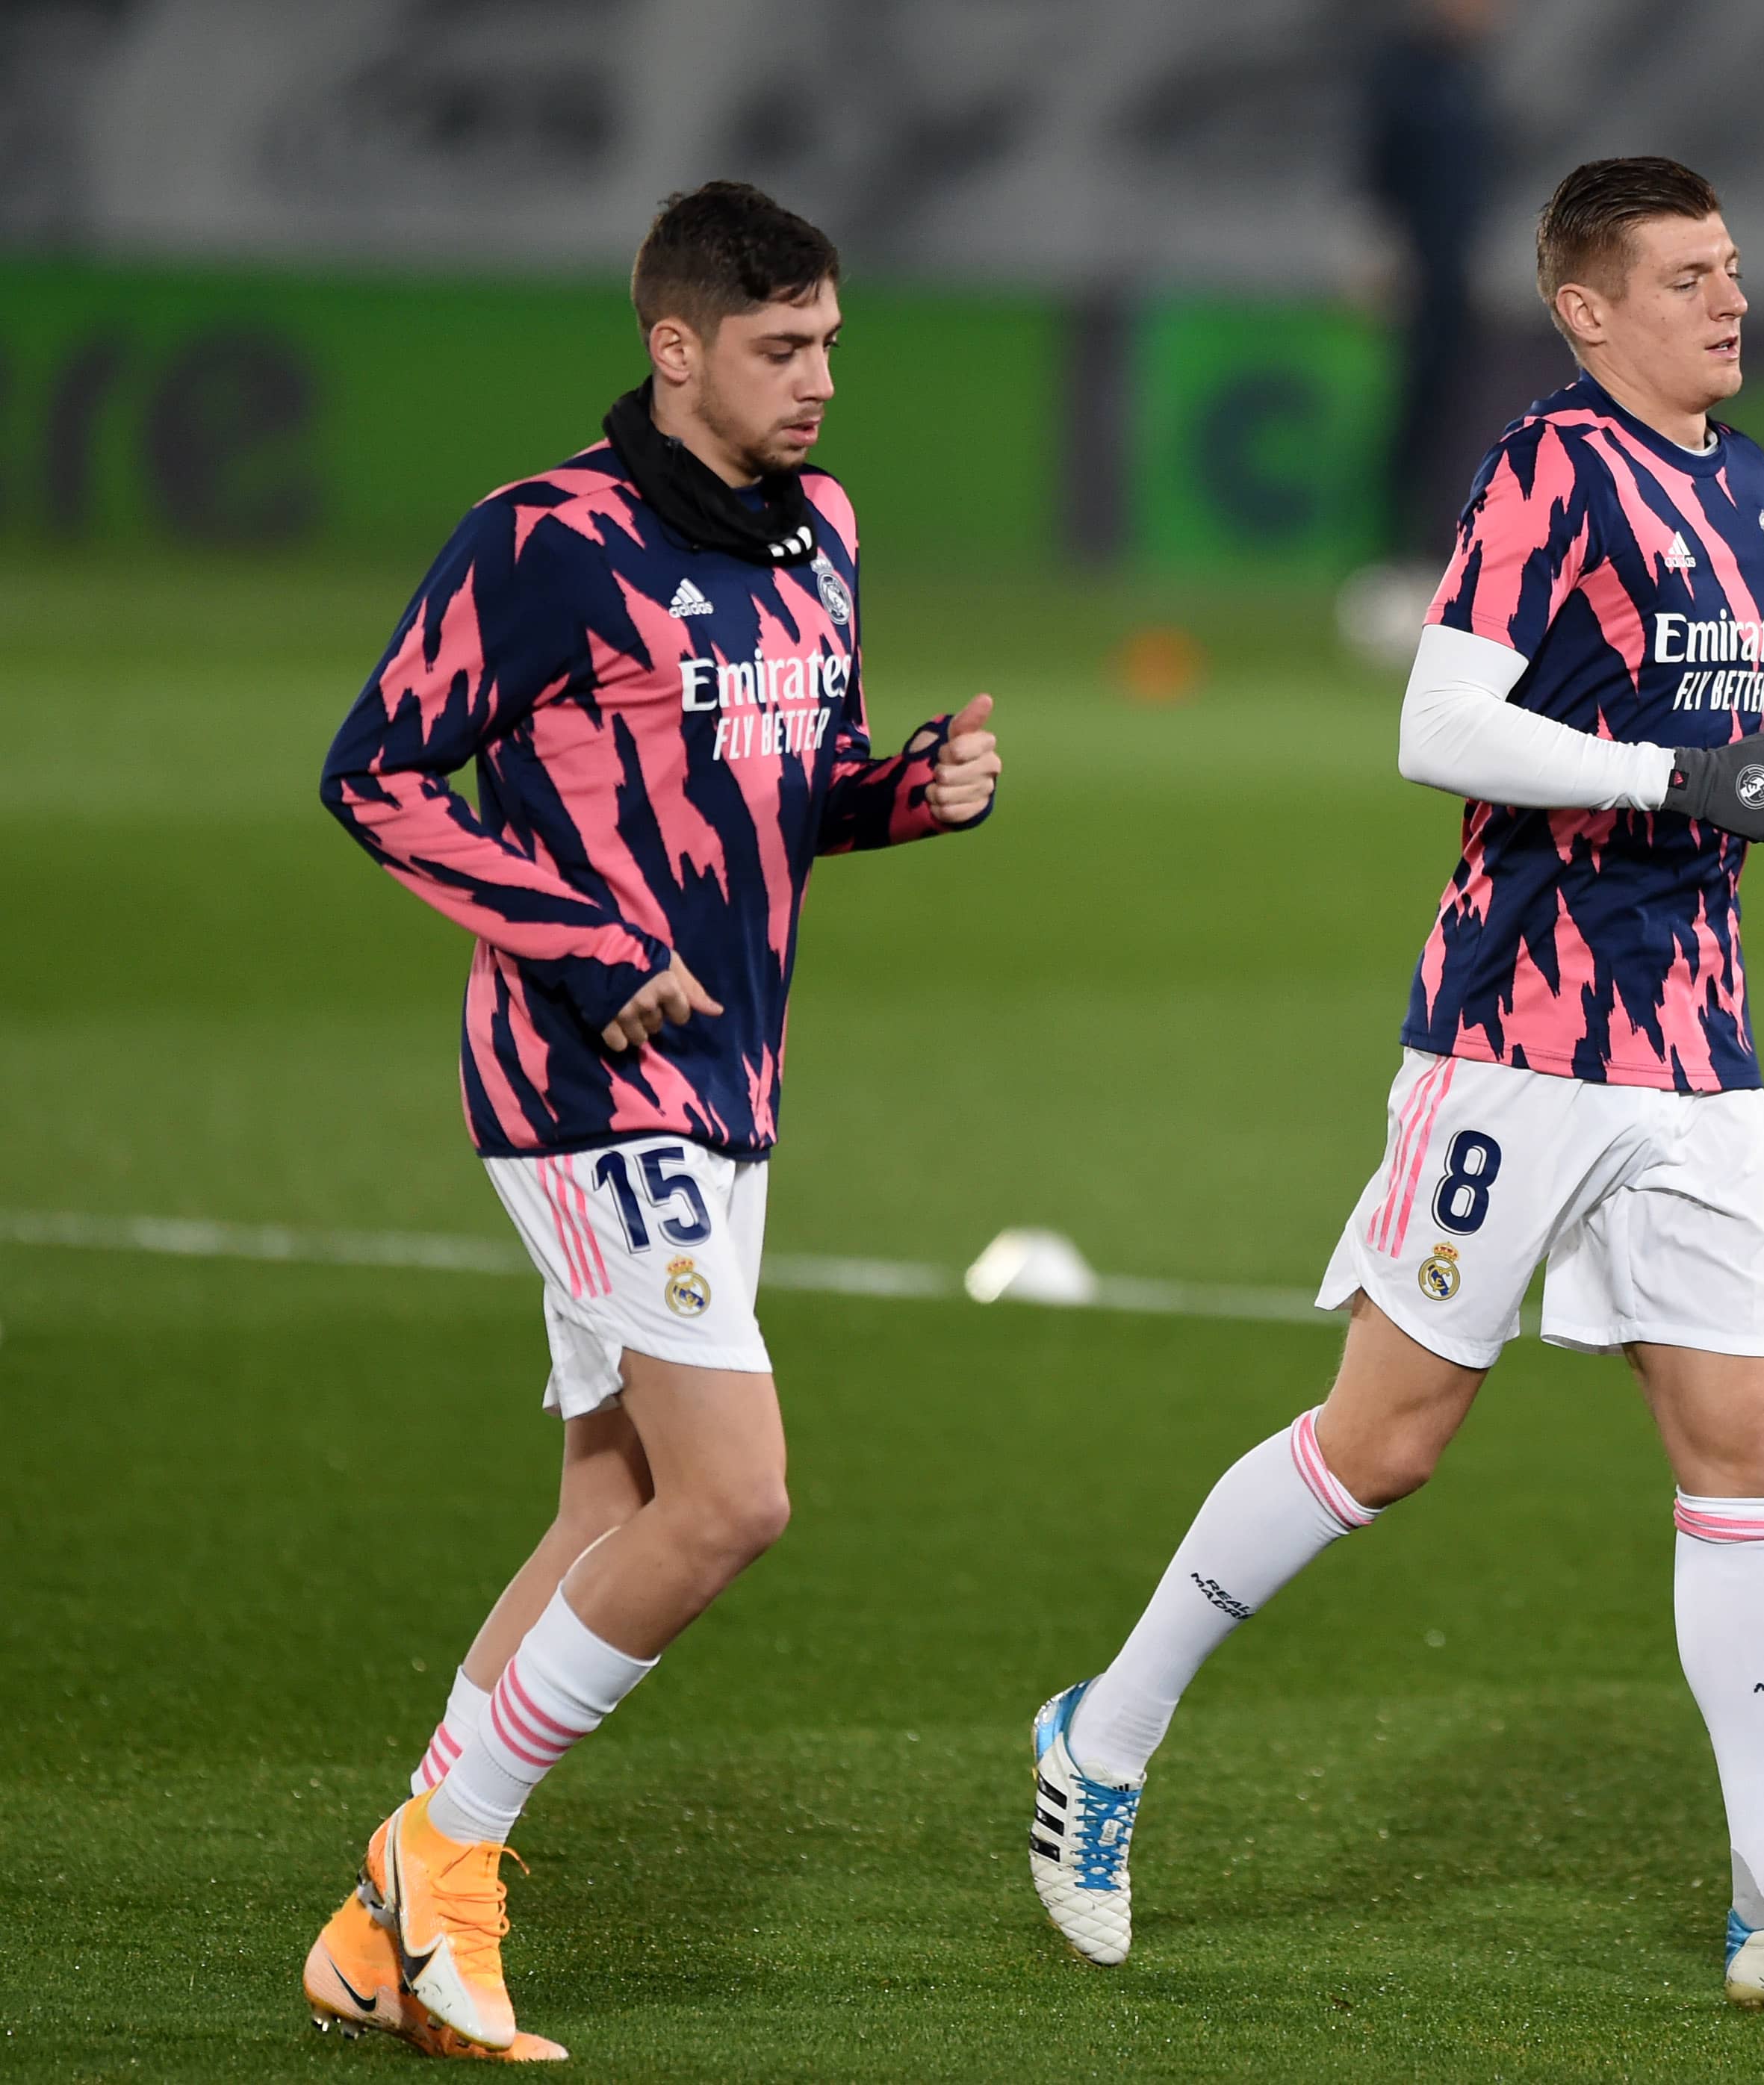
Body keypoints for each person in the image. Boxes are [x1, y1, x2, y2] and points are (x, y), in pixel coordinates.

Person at [1022, 155, 1764, 2019]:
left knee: (1744, 1449)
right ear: (1588, 310)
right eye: (1689, 275)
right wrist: (1668, 778)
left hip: (1695, 1041)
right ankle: (1101, 1733)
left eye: (1736, 266)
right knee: (1384, 1438)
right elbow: (1436, 719)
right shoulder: (1549, 467)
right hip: (1518, 1030)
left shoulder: (1740, 485)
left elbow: (1663, 731)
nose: (1732, 300)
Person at [301, 181, 1002, 2057]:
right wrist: (582, 936)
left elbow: (787, 789)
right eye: (781, 347)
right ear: (674, 345)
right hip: (580, 1081)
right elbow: (372, 773)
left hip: (727, 1079)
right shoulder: (541, 541)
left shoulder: (822, 534)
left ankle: (382, 1920)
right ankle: (445, 1863)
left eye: (833, 342)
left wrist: (909, 793)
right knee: (732, 1495)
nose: (819, 381)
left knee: (611, 1497)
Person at [1361, 0, 1503, 558]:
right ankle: (1393, 542)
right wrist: (1376, 246)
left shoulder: (1473, 77)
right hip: (1413, 272)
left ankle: (1443, 536)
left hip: (1456, 273)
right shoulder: (1404, 72)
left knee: (1453, 406)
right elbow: (1377, 165)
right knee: (1412, 407)